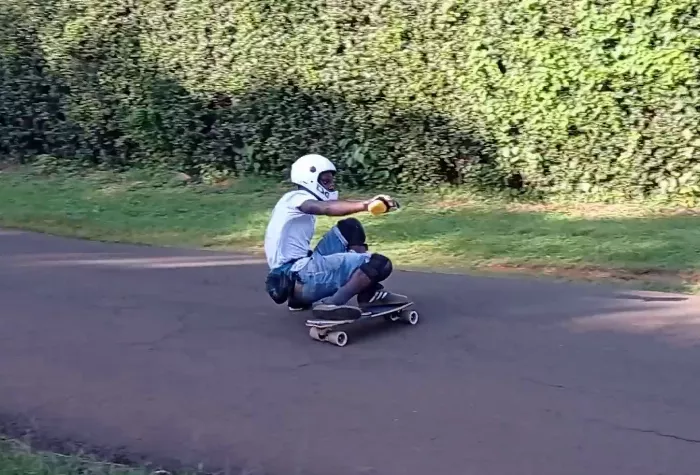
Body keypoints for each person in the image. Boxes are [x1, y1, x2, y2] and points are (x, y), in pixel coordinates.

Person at [264, 153, 408, 321]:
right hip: (302, 277)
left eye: (331, 181)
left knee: (350, 227)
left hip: (293, 279)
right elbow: (326, 208)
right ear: (309, 180)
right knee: (379, 264)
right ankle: (332, 304)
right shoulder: (297, 198)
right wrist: (366, 205)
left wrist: (367, 202)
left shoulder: (289, 201)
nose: (331, 186)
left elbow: (333, 204)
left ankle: (300, 301)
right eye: (325, 181)